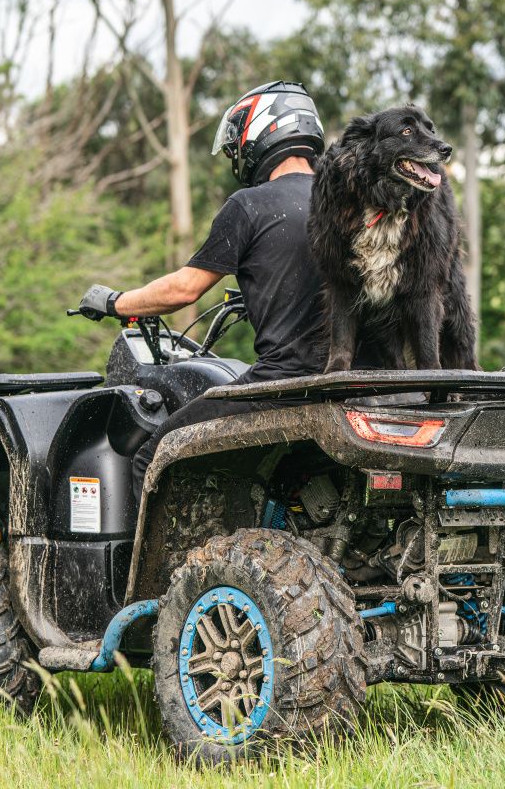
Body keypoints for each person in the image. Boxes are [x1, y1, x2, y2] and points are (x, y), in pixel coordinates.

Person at [78, 81, 327, 499]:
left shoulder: (250, 205)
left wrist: (115, 301)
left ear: (260, 132)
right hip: (358, 381)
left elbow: (183, 289)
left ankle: (172, 548)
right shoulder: (351, 203)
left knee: (154, 457)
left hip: (286, 384)